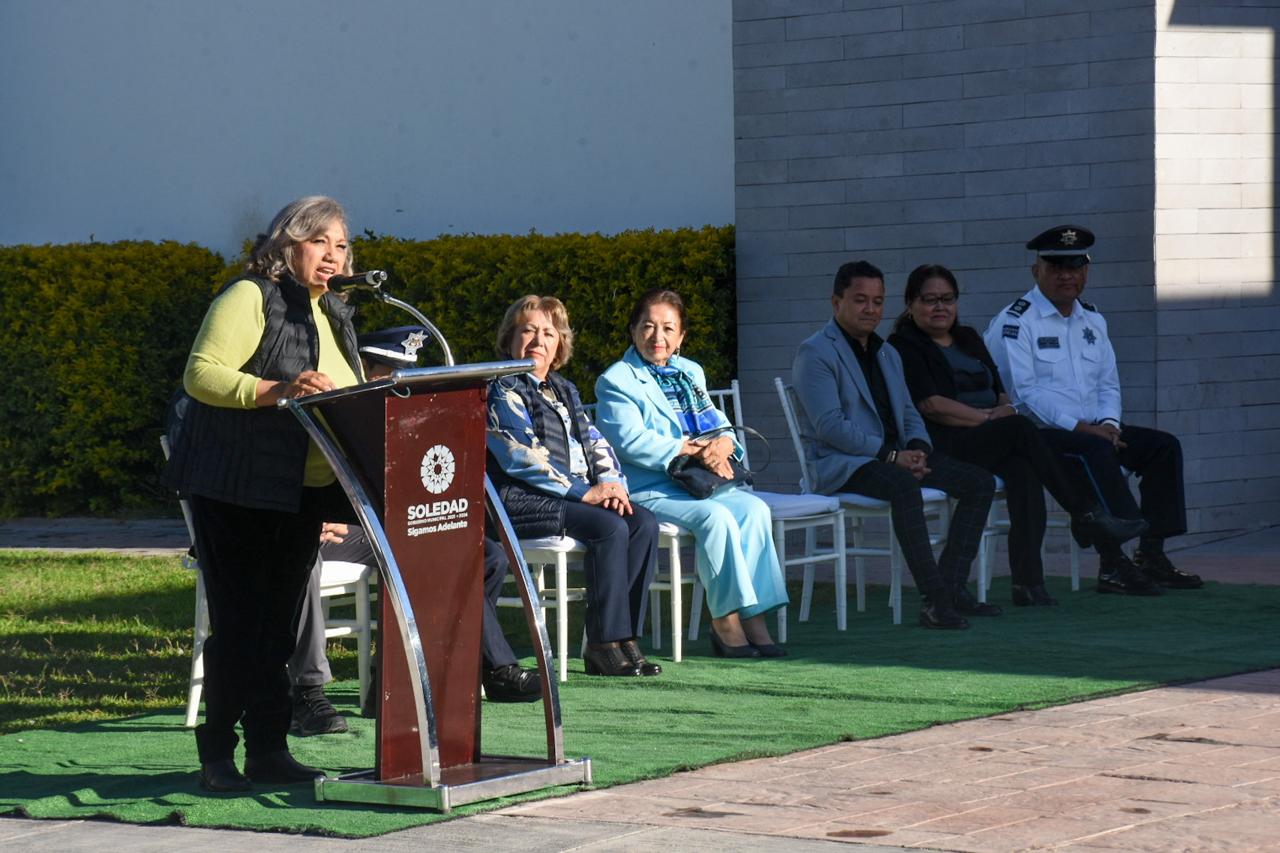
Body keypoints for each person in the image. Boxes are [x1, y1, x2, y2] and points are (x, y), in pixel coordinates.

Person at [163, 196, 364, 792]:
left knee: (278, 628)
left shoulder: (334, 314)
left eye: (342, 244)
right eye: (319, 241)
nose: (333, 255)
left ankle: (269, 750)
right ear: (286, 244)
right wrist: (276, 389)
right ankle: (218, 756)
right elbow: (201, 374)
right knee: (242, 624)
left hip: (300, 493)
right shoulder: (250, 295)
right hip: (234, 486)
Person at [288, 327, 540, 737]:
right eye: (384, 374)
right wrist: (313, 517)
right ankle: (307, 692)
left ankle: (410, 681)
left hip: (364, 529)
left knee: (483, 555)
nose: (392, 387)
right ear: (360, 370)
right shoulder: (331, 406)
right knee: (301, 556)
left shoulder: (399, 415)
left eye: (400, 377)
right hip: (314, 531)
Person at [888, 264, 1148, 606]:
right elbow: (932, 405)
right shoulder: (904, 344)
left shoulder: (967, 338)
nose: (940, 307)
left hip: (991, 435)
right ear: (910, 303)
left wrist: (1004, 411)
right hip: (947, 441)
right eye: (929, 300)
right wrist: (989, 419)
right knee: (1022, 429)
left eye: (947, 299)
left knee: (1024, 472)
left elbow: (1002, 392)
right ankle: (1084, 513)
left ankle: (1027, 583)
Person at [983, 225, 1202, 595]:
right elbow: (1025, 393)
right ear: (1036, 271)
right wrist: (1084, 429)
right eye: (1056, 267)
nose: (1067, 275)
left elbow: (1108, 383)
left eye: (1075, 266)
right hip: (1038, 435)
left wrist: (1110, 424)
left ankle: (1151, 554)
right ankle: (1113, 564)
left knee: (1162, 447)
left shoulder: (1093, 320)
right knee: (1094, 452)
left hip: (1094, 430)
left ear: (1086, 270)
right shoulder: (1016, 321)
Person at [792, 261, 996, 629]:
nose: (870, 309)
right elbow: (830, 427)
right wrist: (891, 455)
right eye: (860, 300)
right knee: (904, 487)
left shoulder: (887, 353)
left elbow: (908, 412)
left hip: (896, 457)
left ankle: (950, 587)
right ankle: (935, 599)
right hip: (845, 464)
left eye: (877, 301)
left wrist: (918, 447)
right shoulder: (816, 352)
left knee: (979, 483)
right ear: (836, 302)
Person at [595, 289, 789, 658]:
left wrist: (724, 446)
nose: (658, 337)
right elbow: (629, 442)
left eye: (669, 328)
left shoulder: (690, 371)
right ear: (633, 329)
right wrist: (691, 448)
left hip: (701, 480)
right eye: (648, 326)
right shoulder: (616, 380)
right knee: (716, 518)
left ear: (681, 336)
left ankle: (754, 616)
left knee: (754, 511)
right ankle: (725, 620)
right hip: (651, 487)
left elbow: (720, 424)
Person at [487, 295, 661, 677]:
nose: (538, 340)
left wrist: (612, 483)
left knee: (642, 522)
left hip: (567, 496)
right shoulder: (501, 388)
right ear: (509, 339)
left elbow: (595, 440)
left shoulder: (564, 388)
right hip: (515, 500)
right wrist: (584, 492)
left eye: (548, 333)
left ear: (559, 345)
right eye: (527, 330)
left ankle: (625, 636)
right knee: (608, 527)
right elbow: (520, 456)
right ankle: (601, 644)